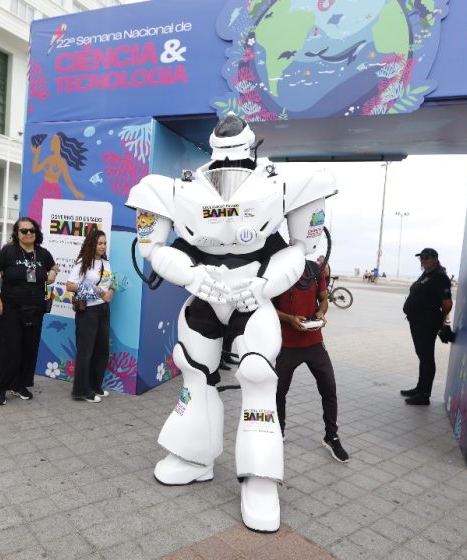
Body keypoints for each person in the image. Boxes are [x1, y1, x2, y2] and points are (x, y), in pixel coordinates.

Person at [125, 114, 337, 532]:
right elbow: (154, 250)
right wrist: (191, 274)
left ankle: (260, 477)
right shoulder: (175, 187)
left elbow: (302, 250)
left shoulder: (283, 184)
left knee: (258, 375)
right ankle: (193, 456)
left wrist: (264, 284)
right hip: (203, 297)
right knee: (193, 372)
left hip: (251, 298)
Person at [273, 260, 349, 462]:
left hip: (314, 341)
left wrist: (321, 312)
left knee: (329, 388)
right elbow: (268, 308)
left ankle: (331, 436)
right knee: (278, 391)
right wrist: (289, 319)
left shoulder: (315, 270)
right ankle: (278, 431)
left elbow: (323, 299)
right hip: (287, 345)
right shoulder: (278, 270)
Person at [0, 217, 58, 405]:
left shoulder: (42, 253)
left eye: (31, 230)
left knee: (29, 348)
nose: (28, 234)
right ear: (16, 234)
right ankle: (1, 388)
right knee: (10, 349)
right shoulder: (8, 252)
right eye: (24, 231)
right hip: (11, 308)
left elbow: (53, 266)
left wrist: (52, 273)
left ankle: (20, 385)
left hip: (35, 309)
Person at [65, 228, 113, 403]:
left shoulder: (106, 263)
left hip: (103, 310)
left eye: (104, 243)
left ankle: (95, 386)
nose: (102, 246)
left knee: (102, 350)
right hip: (88, 311)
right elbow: (70, 285)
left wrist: (111, 292)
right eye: (100, 243)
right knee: (86, 352)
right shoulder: (82, 263)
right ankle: (82, 391)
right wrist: (94, 290)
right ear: (92, 243)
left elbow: (110, 281)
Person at [401, 248, 453, 405]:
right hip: (417, 321)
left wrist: (440, 318)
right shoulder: (427, 274)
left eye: (427, 258)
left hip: (427, 322)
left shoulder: (440, 277)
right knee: (422, 355)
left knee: (427, 357)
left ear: (435, 259)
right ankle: (419, 387)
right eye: (421, 258)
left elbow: (447, 304)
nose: (423, 261)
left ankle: (424, 395)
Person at [28, 132, 87, 221]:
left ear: (59, 144)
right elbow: (35, 169)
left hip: (53, 192)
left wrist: (76, 192)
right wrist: (37, 154)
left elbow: (67, 179)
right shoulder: (48, 159)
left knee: (50, 218)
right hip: (42, 191)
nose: (51, 142)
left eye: (54, 141)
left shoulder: (62, 162)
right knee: (36, 217)